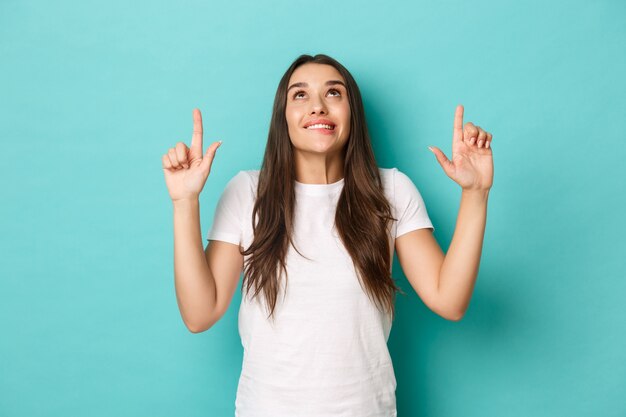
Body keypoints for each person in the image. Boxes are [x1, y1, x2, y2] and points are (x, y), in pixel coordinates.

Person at [161, 53, 494, 417]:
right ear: (283, 117)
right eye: (300, 95)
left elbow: (450, 299)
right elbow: (199, 313)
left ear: (352, 112)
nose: (318, 106)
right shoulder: (247, 193)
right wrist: (184, 202)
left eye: (334, 93)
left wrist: (475, 194)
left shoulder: (393, 190)